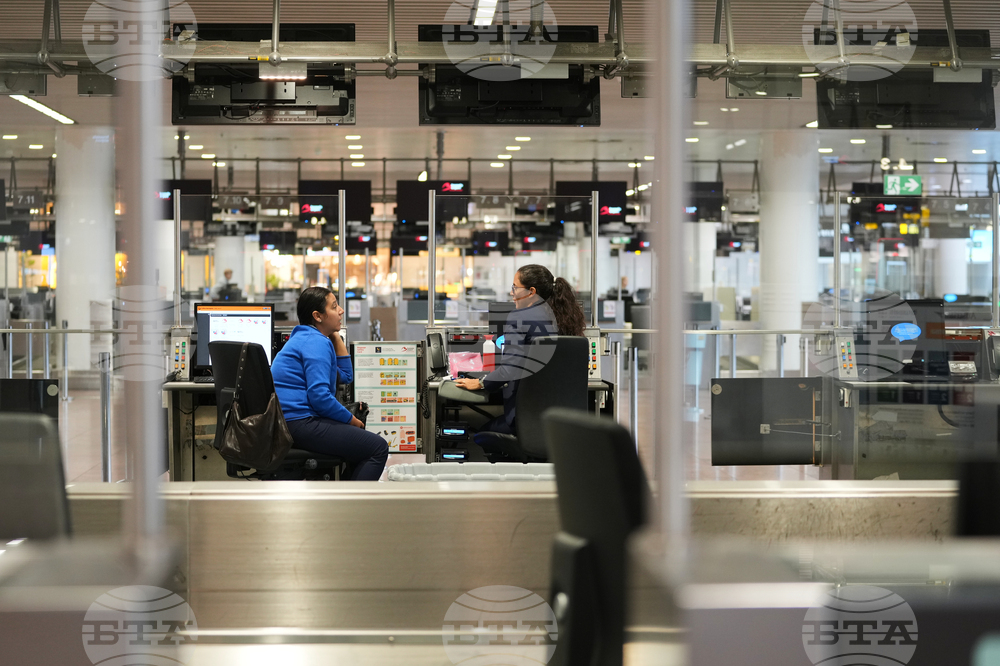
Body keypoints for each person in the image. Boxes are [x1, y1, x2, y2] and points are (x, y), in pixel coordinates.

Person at [271, 286, 388, 480]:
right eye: (334, 307)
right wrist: (352, 421)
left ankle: (344, 501)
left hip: (289, 422)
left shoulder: (305, 338)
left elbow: (345, 376)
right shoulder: (315, 342)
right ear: (318, 316)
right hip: (300, 423)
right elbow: (320, 398)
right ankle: (351, 506)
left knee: (360, 447)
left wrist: (334, 334)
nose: (341, 310)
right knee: (378, 447)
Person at [454, 264, 586, 434]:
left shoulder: (519, 318)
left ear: (531, 292)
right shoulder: (565, 319)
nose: (512, 293)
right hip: (565, 423)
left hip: (527, 420)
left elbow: (510, 369)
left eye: (515, 287)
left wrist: (480, 382)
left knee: (482, 434)